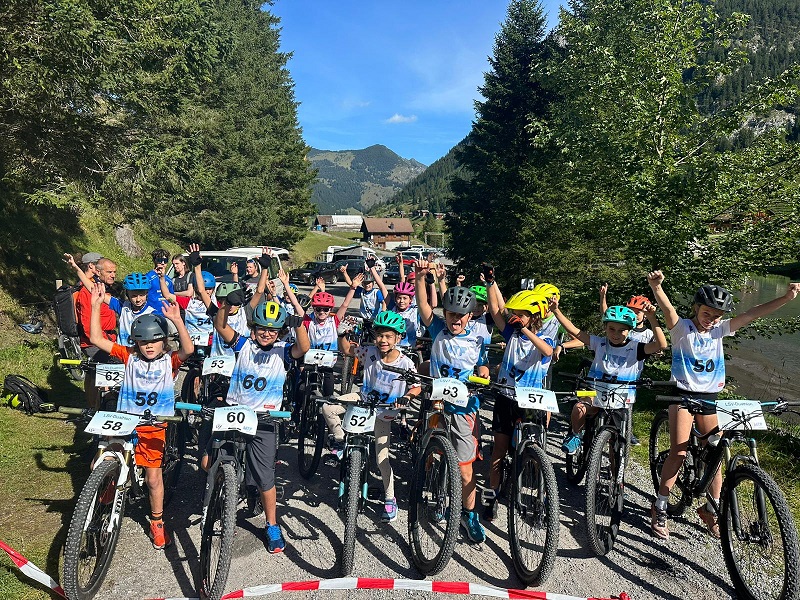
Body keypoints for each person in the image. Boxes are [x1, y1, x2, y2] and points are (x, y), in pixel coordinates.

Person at [648, 271, 800, 540]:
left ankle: (711, 509)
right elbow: (668, 310)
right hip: (682, 396)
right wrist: (657, 287)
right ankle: (660, 505)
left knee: (716, 453)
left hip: (709, 397)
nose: (711, 319)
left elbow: (752, 313)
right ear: (696, 308)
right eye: (707, 313)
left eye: (717, 315)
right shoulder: (682, 329)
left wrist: (787, 298)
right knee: (679, 453)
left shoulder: (719, 330)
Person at [88, 282, 194, 549]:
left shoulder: (169, 360)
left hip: (153, 426)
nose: (149, 346)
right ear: (135, 342)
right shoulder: (128, 356)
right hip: (126, 421)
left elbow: (188, 350)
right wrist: (96, 306)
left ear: (163, 341)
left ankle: (157, 521)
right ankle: (109, 481)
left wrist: (177, 321)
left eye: (155, 341)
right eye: (143, 341)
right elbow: (97, 339)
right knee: (97, 463)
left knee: (153, 478)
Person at [203, 300, 309, 553]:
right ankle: (224, 494)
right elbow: (221, 326)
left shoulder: (283, 351)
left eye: (272, 330)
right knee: (207, 462)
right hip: (235, 413)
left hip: (264, 419)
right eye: (262, 328)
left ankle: (272, 524)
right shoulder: (243, 345)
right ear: (253, 328)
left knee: (264, 477)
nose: (267, 333)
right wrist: (227, 305)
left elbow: (303, 347)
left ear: (279, 332)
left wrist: (298, 324)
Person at [414, 259, 487, 543]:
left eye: (461, 315)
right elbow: (423, 306)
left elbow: (482, 365)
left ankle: (469, 515)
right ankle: (434, 488)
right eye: (451, 314)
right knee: (433, 452)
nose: (455, 319)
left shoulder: (476, 340)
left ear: (469, 316)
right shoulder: (437, 330)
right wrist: (420, 277)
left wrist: (483, 372)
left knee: (466, 469)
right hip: (437, 402)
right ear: (444, 314)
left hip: (463, 408)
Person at [323, 311, 422, 521]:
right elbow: (347, 350)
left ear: (398, 338)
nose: (383, 340)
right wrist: (341, 334)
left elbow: (416, 386)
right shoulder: (369, 352)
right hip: (363, 399)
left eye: (388, 336)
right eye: (379, 335)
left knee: (382, 459)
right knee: (328, 407)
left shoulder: (405, 363)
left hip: (384, 411)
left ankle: (390, 498)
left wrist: (407, 397)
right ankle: (340, 441)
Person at [552, 295, 667, 457]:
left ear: (629, 330)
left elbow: (662, 345)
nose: (616, 334)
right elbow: (574, 330)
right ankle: (576, 435)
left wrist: (652, 318)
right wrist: (556, 310)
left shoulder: (637, 347)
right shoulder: (599, 342)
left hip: (621, 396)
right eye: (612, 329)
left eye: (622, 330)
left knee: (616, 445)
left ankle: (615, 471)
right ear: (605, 328)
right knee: (579, 407)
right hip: (593, 390)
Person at [483, 286, 554, 520]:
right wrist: (491, 283)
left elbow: (547, 351)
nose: (515, 317)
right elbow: (496, 311)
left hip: (530, 400)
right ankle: (492, 495)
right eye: (514, 313)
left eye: (521, 315)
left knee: (535, 453)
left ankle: (543, 498)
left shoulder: (544, 337)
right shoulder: (510, 334)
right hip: (507, 397)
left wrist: (524, 329)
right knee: (499, 451)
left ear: (534, 317)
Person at [74, 257, 118, 409]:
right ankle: (98, 408)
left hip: (108, 338)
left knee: (93, 372)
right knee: (104, 371)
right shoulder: (88, 292)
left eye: (114, 272)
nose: (113, 275)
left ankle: (94, 405)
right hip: (94, 341)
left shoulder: (104, 288)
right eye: (109, 272)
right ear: (98, 272)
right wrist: (102, 341)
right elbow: (87, 325)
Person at [145, 249, 174, 316]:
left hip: (167, 315)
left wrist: (170, 301)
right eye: (160, 260)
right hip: (152, 314)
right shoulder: (148, 277)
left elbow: (171, 298)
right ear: (154, 260)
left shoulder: (169, 280)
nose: (163, 263)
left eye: (165, 261)